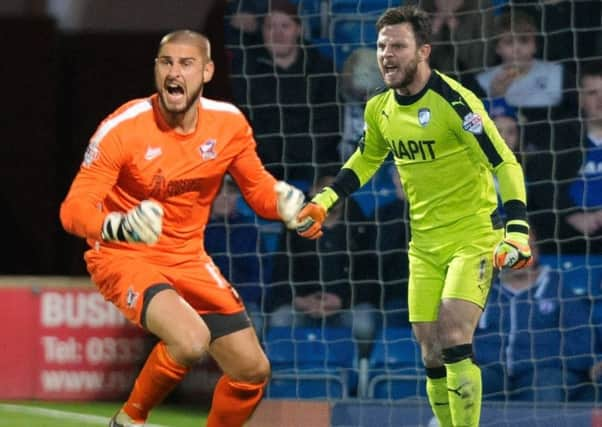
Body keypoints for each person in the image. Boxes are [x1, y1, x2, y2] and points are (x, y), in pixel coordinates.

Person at [295, 5, 533, 427]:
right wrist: (326, 200)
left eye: (398, 46)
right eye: (382, 46)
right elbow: (366, 159)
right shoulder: (380, 109)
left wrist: (515, 230)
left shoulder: (456, 103)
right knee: (429, 351)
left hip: (473, 237)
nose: (386, 55)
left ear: (423, 51)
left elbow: (504, 162)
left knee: (455, 335)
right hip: (423, 246)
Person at [59, 30, 306, 427]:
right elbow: (73, 211)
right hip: (124, 255)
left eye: (186, 63)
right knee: (190, 340)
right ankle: (129, 419)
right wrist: (119, 226)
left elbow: (257, 189)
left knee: (251, 371)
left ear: (207, 71)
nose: (174, 72)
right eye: (166, 62)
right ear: (156, 69)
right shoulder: (123, 128)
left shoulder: (228, 125)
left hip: (189, 258)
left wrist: (283, 203)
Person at [231, 0, 341, 191]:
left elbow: (329, 126)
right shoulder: (247, 71)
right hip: (266, 163)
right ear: (262, 32)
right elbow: (247, 123)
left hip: (315, 163)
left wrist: (296, 155)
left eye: (285, 26)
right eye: (270, 26)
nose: (277, 33)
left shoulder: (321, 68)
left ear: (298, 30)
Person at [475, 233, 594, 402]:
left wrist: (529, 358)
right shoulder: (482, 289)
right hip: (492, 370)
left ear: (536, 252)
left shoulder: (558, 289)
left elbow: (582, 343)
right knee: (470, 383)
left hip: (545, 371)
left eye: (525, 247)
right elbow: (461, 335)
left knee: (547, 386)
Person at [266, 175, 378, 354]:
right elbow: (280, 273)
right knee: (281, 321)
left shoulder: (362, 227)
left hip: (346, 307)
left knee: (364, 323)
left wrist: (342, 300)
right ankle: (284, 376)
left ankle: (359, 375)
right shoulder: (294, 228)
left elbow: (371, 279)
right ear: (312, 192)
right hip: (303, 306)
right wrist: (299, 300)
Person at [527, 59, 602, 255]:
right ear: (580, 98)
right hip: (567, 233)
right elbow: (542, 183)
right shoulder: (561, 134)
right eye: (592, 93)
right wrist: (572, 215)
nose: (600, 100)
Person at [204, 176, 265, 333]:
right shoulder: (197, 227)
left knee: (254, 322)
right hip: (202, 299)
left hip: (241, 300)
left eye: (230, 193)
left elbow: (258, 275)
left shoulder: (249, 230)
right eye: (219, 193)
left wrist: (236, 298)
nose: (225, 198)